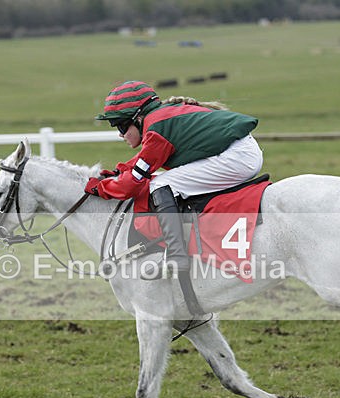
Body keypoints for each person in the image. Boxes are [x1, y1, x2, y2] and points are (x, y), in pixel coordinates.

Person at [85, 80, 263, 315]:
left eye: (121, 126)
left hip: (237, 158)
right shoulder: (158, 120)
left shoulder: (157, 128)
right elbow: (143, 162)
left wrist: (100, 188)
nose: (120, 135)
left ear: (138, 117)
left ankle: (176, 255)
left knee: (160, 183)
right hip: (240, 152)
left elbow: (132, 185)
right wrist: (117, 172)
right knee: (163, 180)